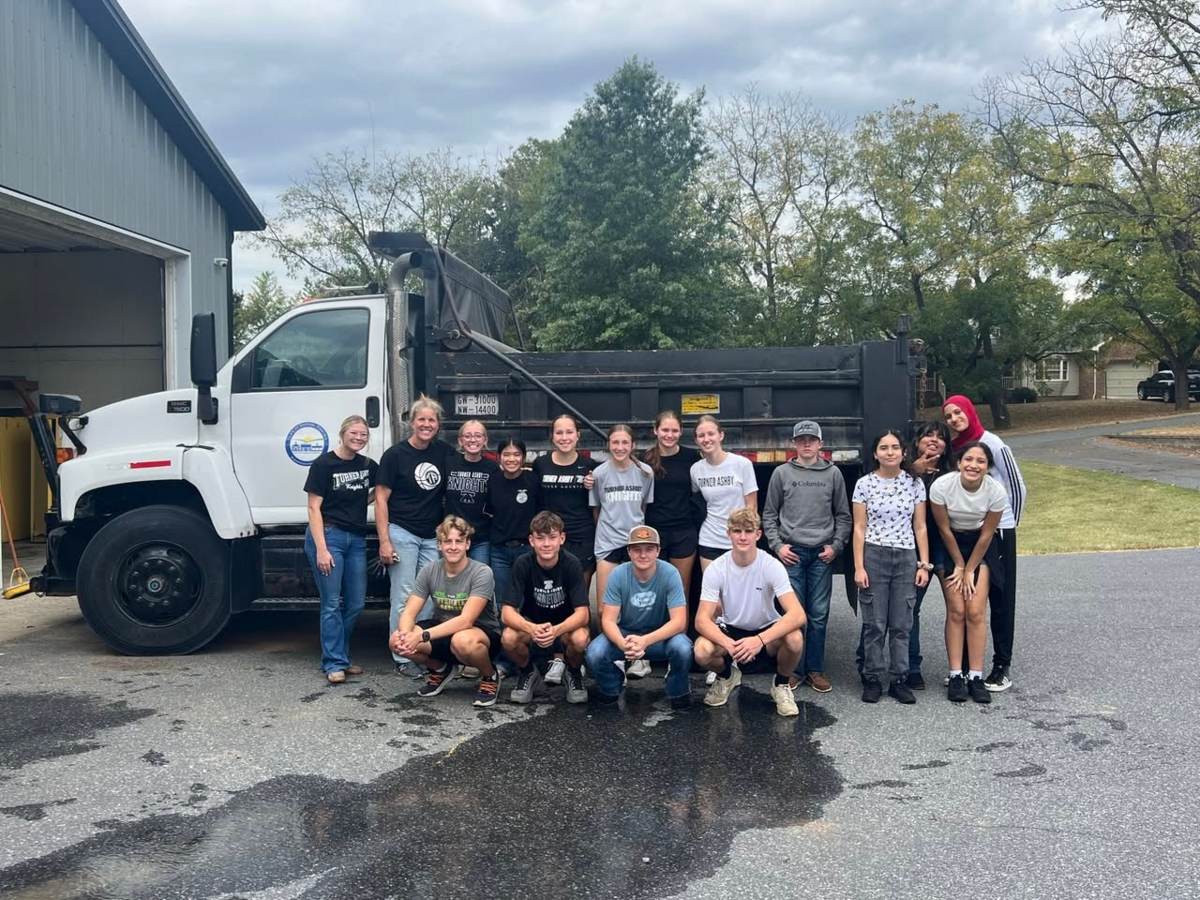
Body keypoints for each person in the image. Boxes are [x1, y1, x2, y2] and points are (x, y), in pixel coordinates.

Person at [943, 395, 1027, 693]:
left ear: (969, 412)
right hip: (968, 531)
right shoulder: (955, 448)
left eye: (958, 412)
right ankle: (964, 668)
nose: (954, 419)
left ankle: (1001, 665)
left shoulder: (991, 443)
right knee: (967, 600)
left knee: (1000, 600)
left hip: (999, 530)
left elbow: (1016, 486)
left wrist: (1009, 524)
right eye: (949, 416)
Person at [762, 420, 850, 694]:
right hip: (792, 553)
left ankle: (816, 669)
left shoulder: (833, 474)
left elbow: (844, 516)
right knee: (794, 615)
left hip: (822, 553)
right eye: (802, 440)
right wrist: (778, 546)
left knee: (819, 614)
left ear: (821, 444)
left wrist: (836, 546)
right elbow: (769, 514)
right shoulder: (781, 473)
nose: (807, 444)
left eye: (812, 439)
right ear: (794, 444)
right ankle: (794, 670)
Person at [693, 507, 806, 718]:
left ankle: (781, 685)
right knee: (701, 650)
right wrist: (728, 644)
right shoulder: (716, 568)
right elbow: (701, 620)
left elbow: (798, 615)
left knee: (795, 639)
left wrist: (759, 640)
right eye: (737, 531)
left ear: (758, 534)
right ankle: (727, 677)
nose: (742, 537)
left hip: (766, 633)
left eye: (748, 530)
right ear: (729, 534)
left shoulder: (771, 565)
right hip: (731, 632)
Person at [388, 516, 503, 707]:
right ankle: (441, 669)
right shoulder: (429, 570)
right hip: (443, 629)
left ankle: (490, 676)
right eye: (447, 541)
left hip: (480, 633)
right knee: (396, 640)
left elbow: (466, 620)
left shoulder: (482, 572)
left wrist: (421, 636)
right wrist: (406, 636)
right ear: (439, 545)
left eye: (459, 541)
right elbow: (409, 612)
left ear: (467, 544)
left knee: (462, 640)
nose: (453, 547)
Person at [852, 430, 931, 705]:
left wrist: (924, 564)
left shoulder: (914, 484)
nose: (890, 452)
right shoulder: (864, 484)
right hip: (874, 555)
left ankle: (899, 679)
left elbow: (920, 526)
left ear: (904, 453)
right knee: (875, 623)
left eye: (895, 447)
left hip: (906, 556)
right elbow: (859, 528)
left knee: (901, 623)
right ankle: (873, 677)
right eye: (883, 447)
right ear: (875, 453)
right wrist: (859, 566)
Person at [930, 441, 1008, 704]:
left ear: (988, 467)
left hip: (979, 546)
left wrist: (970, 567)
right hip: (949, 543)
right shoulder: (942, 486)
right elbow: (943, 529)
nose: (974, 465)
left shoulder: (996, 491)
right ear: (959, 462)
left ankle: (975, 676)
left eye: (981, 461)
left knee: (975, 611)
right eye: (969, 460)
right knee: (957, 610)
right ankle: (955, 675)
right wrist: (959, 566)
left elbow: (987, 534)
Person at [584, 525, 694, 709]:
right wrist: (622, 643)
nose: (643, 555)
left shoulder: (670, 573)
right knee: (595, 652)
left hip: (660, 636)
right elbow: (608, 619)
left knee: (683, 648)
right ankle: (611, 687)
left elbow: (679, 621)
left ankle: (678, 690)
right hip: (627, 634)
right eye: (636, 549)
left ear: (658, 551)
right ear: (628, 551)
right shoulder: (618, 574)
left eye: (649, 549)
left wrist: (645, 641)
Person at [303, 415, 377, 685]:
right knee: (332, 603)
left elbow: (380, 491)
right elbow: (313, 508)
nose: (359, 438)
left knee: (356, 603)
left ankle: (341, 657)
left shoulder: (367, 465)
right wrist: (322, 549)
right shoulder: (324, 464)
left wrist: (365, 498)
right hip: (329, 537)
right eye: (354, 433)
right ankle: (333, 662)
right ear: (342, 433)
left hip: (356, 539)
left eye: (364, 435)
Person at [533, 414, 599, 686]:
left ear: (577, 436)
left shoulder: (590, 467)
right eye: (558, 433)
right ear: (552, 437)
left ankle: (578, 659)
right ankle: (558, 657)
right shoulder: (540, 464)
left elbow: (598, 503)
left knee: (576, 601)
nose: (564, 437)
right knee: (556, 600)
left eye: (569, 432)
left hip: (581, 537)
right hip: (551, 540)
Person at [500, 511, 590, 704]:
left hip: (565, 627)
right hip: (534, 626)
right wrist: (531, 628)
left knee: (581, 638)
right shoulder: (523, 563)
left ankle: (573, 673)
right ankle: (528, 673)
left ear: (562, 538)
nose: (546, 544)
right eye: (540, 538)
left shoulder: (572, 563)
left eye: (552, 537)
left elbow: (583, 614)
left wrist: (556, 630)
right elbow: (507, 613)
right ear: (531, 541)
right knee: (508, 637)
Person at [590, 424, 655, 676]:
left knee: (636, 606)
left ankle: (640, 657)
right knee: (605, 609)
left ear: (632, 445)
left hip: (634, 543)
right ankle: (615, 657)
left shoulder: (645, 472)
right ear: (608, 444)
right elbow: (597, 510)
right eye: (615, 443)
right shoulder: (599, 474)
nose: (619, 448)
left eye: (624, 443)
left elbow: (643, 508)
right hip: (607, 543)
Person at [900, 420, 954, 689]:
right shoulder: (904, 472)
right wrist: (913, 470)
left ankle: (962, 669)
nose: (934, 440)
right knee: (912, 609)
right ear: (916, 442)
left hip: (948, 547)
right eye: (927, 436)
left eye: (940, 437)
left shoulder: (954, 472)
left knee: (958, 609)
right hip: (915, 548)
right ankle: (912, 668)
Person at [642, 410, 702, 611]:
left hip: (683, 532)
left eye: (674, 430)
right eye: (665, 430)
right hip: (654, 533)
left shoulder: (692, 457)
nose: (669, 434)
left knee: (680, 592)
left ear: (681, 432)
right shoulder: (645, 460)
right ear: (655, 431)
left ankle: (680, 641)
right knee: (655, 591)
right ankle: (654, 639)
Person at [691, 415, 758, 572]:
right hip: (710, 539)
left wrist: (747, 537)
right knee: (713, 593)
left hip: (738, 539)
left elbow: (752, 506)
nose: (706, 439)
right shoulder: (696, 470)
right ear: (696, 441)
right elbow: (698, 501)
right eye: (701, 436)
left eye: (711, 434)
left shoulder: (741, 464)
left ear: (721, 435)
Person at [487, 437, 539, 608]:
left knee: (527, 598)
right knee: (502, 599)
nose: (511, 459)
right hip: (499, 551)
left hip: (526, 550)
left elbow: (541, 512)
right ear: (498, 457)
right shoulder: (493, 481)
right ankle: (504, 635)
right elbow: (488, 511)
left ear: (523, 458)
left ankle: (528, 634)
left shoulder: (532, 481)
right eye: (506, 454)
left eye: (516, 454)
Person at [444, 420, 498, 566]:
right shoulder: (449, 464)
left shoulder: (493, 468)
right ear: (460, 440)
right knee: (450, 580)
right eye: (467, 436)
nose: (473, 440)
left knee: (479, 581)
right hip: (452, 536)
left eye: (478, 436)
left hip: (480, 539)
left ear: (485, 440)